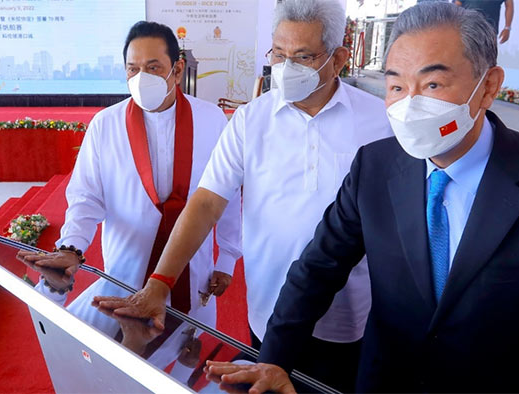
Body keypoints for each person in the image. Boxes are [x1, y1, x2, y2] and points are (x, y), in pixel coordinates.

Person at [206, 2, 519, 393]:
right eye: (397, 86)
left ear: (487, 86)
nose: (410, 103)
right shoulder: (376, 166)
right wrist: (274, 359)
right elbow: (318, 267)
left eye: (432, 85)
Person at [94, 0, 393, 391]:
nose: (287, 69)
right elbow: (205, 203)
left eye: (302, 57)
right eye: (280, 55)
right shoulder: (252, 120)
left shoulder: (380, 122)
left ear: (337, 59)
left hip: (350, 316)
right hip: (269, 309)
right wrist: (160, 283)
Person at [18, 21, 241, 329]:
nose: (141, 79)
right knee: (124, 353)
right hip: (125, 272)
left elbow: (227, 195)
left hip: (192, 271)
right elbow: (86, 198)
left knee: (184, 364)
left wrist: (227, 258)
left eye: (152, 68)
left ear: (177, 71)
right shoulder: (105, 124)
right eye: (132, 69)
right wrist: (70, 247)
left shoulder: (211, 119)